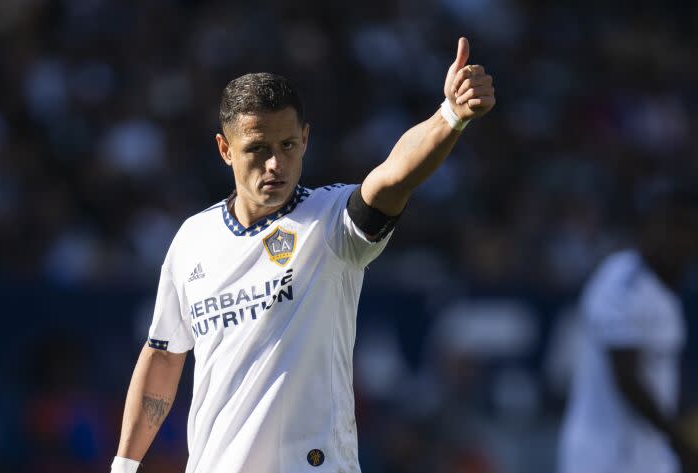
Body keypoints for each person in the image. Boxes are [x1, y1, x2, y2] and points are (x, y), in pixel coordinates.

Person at [112, 37, 495, 473]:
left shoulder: (330, 223)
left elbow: (391, 179)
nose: (275, 163)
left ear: (306, 139)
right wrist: (124, 465)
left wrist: (450, 117)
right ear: (225, 150)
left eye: (288, 145)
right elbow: (163, 353)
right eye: (258, 148)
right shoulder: (192, 239)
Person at [558, 185, 698, 473]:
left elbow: (666, 370)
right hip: (601, 457)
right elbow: (627, 377)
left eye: (685, 228)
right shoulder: (620, 281)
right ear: (646, 229)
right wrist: (681, 441)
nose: (675, 239)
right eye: (667, 226)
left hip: (650, 455)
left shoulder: (667, 291)